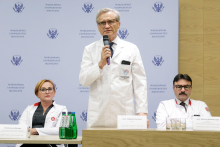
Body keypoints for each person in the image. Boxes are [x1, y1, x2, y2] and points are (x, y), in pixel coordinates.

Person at [79, 8, 148, 128]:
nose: (107, 26)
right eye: (102, 23)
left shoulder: (131, 49)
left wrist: (142, 111)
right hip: (98, 115)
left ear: (118, 24)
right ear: (98, 26)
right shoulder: (89, 49)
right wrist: (99, 65)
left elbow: (140, 83)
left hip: (125, 114)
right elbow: (84, 81)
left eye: (111, 21)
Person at [16, 79, 67, 147]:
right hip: (29, 144)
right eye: (43, 89)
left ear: (54, 92)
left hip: (51, 144)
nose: (47, 92)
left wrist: (35, 131)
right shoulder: (29, 109)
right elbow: (21, 129)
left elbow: (61, 130)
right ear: (37, 94)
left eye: (50, 89)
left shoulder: (62, 109)